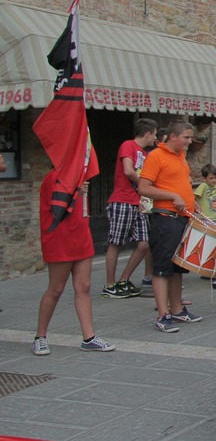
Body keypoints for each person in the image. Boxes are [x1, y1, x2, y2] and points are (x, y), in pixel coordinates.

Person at [33, 168, 115, 355]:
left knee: (83, 286)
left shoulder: (78, 177)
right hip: (60, 239)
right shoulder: (53, 177)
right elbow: (57, 209)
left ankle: (89, 337)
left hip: (81, 236)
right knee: (56, 288)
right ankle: (40, 336)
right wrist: (76, 192)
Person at [137, 120, 203, 332]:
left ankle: (177, 310)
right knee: (162, 268)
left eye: (190, 138)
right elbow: (144, 188)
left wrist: (193, 204)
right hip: (165, 218)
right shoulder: (156, 156)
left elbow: (180, 185)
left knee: (177, 268)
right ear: (173, 137)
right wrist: (172, 196)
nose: (189, 142)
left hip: (182, 218)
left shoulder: (181, 157)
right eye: (186, 137)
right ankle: (162, 314)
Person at [102, 118, 158, 299]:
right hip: (122, 200)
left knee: (144, 242)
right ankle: (110, 284)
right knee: (116, 242)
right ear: (148, 133)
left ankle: (123, 279)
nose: (155, 139)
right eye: (154, 134)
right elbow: (128, 170)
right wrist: (144, 184)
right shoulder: (128, 145)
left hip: (137, 201)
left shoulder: (145, 153)